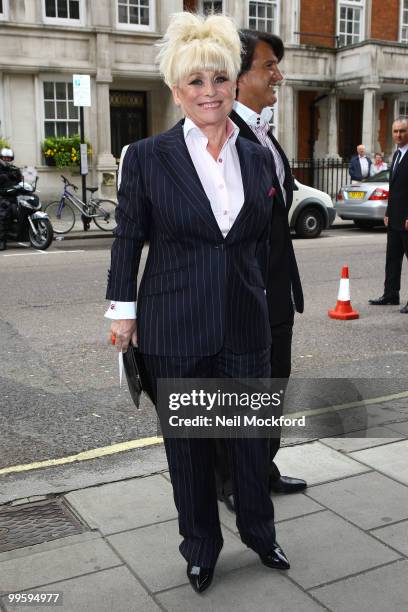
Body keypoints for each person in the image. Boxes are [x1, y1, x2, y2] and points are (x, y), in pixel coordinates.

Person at [105, 12, 290, 595]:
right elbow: (128, 238)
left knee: (249, 440)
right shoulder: (146, 157)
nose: (208, 92)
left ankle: (261, 533)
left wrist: (266, 303)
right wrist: (123, 311)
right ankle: (201, 548)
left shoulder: (258, 157)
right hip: (176, 324)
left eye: (218, 79)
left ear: (234, 82)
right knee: (186, 448)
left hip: (243, 323)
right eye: (195, 82)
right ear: (175, 89)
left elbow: (261, 242)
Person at [215, 29, 306, 514]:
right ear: (239, 74)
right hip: (245, 295)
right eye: (269, 66)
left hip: (275, 291)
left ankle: (262, 467)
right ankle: (232, 480)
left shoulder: (263, 132)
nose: (278, 75)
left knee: (274, 385)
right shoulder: (225, 134)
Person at [369, 117, 408, 313]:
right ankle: (391, 294)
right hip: (394, 218)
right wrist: (388, 212)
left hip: (407, 219)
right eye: (395, 131)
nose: (398, 135)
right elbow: (395, 188)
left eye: (402, 131)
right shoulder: (397, 155)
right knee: (392, 258)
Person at [0, 148, 22, 251]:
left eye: (8, 158)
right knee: (4, 214)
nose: (7, 160)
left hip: (15, 196)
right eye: (5, 158)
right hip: (3, 197)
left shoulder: (15, 169)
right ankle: (1, 241)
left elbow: (21, 182)